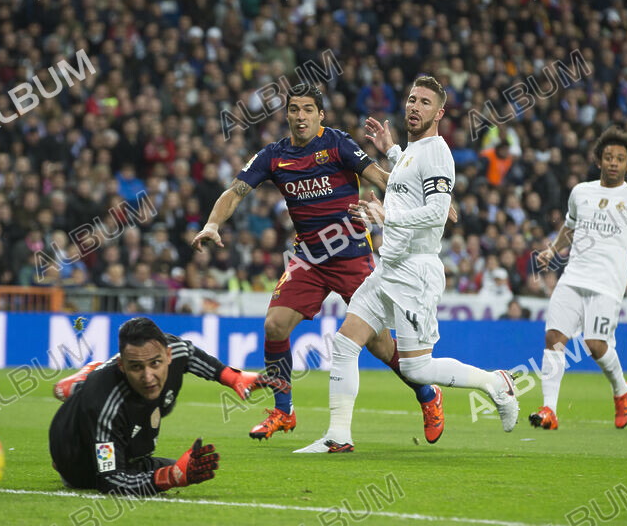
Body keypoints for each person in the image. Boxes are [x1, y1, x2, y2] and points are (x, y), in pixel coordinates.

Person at [191, 83, 449, 443]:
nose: (300, 116)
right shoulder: (273, 156)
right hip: (309, 258)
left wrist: (429, 199)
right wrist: (212, 224)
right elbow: (235, 191)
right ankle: (284, 411)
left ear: (320, 115)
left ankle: (428, 395)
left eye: (308, 110)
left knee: (379, 344)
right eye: (294, 109)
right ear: (287, 115)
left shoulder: (339, 144)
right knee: (275, 325)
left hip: (351, 254)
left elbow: (383, 178)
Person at [295, 76, 518, 453]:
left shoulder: (437, 153)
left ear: (439, 113)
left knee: (416, 368)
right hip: (388, 268)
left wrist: (386, 218)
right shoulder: (414, 152)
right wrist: (393, 151)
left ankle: (496, 384)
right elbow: (409, 184)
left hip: (416, 272)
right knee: (347, 342)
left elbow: (436, 213)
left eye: (425, 102)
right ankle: (338, 437)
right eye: (412, 99)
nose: (415, 107)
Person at [48, 317, 285, 495]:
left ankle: (84, 379)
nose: (149, 376)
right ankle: (83, 382)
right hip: (75, 458)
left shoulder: (176, 351)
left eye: (155, 363)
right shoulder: (103, 406)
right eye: (136, 367)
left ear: (169, 356)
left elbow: (191, 354)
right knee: (156, 470)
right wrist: (170, 478)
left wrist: (232, 377)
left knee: (171, 463)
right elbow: (109, 481)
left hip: (118, 418)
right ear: (121, 365)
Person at [532, 126, 627, 430]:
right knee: (553, 338)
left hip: (608, 283)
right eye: (608, 157)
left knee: (595, 345)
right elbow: (570, 226)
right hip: (573, 276)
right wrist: (552, 250)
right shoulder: (581, 192)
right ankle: (549, 410)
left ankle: (621, 389)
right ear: (599, 161)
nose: (613, 162)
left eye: (620, 158)